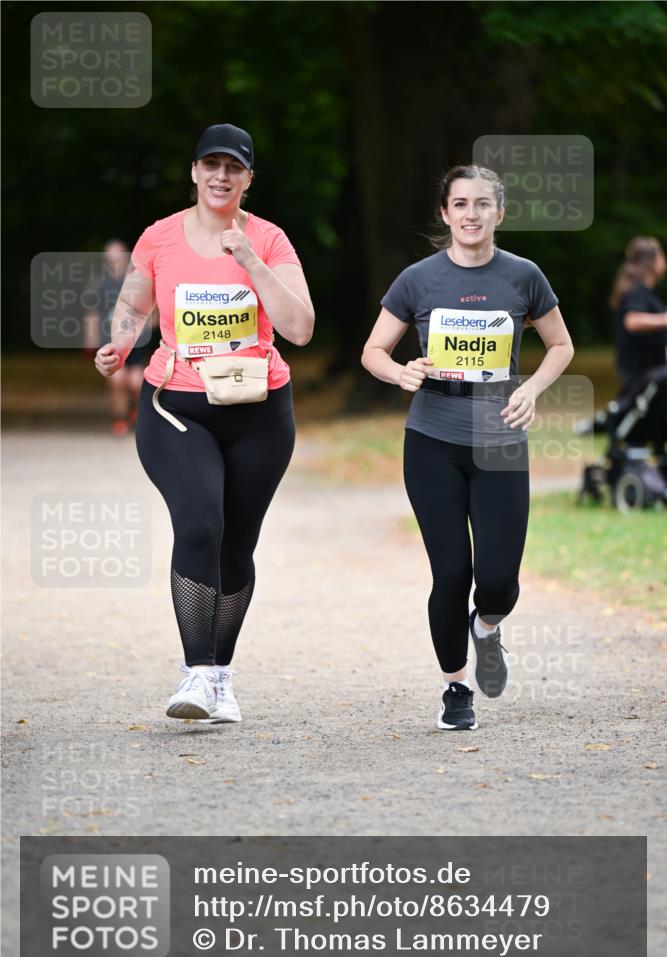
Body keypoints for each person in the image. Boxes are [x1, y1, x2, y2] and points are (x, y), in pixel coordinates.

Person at [94, 124, 314, 722]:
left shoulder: (268, 240)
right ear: (194, 171)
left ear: (247, 179)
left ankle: (220, 676)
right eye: (210, 164)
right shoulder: (160, 237)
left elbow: (299, 328)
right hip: (176, 405)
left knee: (237, 543)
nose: (221, 176)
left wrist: (248, 259)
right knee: (200, 522)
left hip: (260, 411)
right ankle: (195, 675)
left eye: (233, 167)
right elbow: (133, 306)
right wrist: (118, 344)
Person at [361, 164, 574, 731]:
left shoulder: (524, 276)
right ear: (445, 213)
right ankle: (456, 687)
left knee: (498, 580)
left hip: (500, 439)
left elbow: (560, 345)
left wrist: (530, 388)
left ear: (499, 214)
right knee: (451, 572)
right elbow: (373, 352)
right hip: (432, 437)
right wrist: (399, 372)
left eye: (483, 204)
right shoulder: (418, 279)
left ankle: (487, 627)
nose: (471, 214)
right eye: (460, 204)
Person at [84, 239, 156, 436]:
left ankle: (135, 411)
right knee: (117, 381)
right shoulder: (99, 284)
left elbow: (152, 306)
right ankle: (119, 419)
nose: (115, 262)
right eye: (111, 258)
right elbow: (92, 314)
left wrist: (152, 322)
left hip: (136, 342)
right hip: (109, 340)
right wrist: (90, 339)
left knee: (135, 382)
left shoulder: (136, 280)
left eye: (118, 257)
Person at [610, 236, 667, 391]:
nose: (664, 261)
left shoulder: (644, 292)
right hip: (641, 374)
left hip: (650, 371)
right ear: (651, 262)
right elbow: (632, 321)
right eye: (661, 256)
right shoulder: (638, 290)